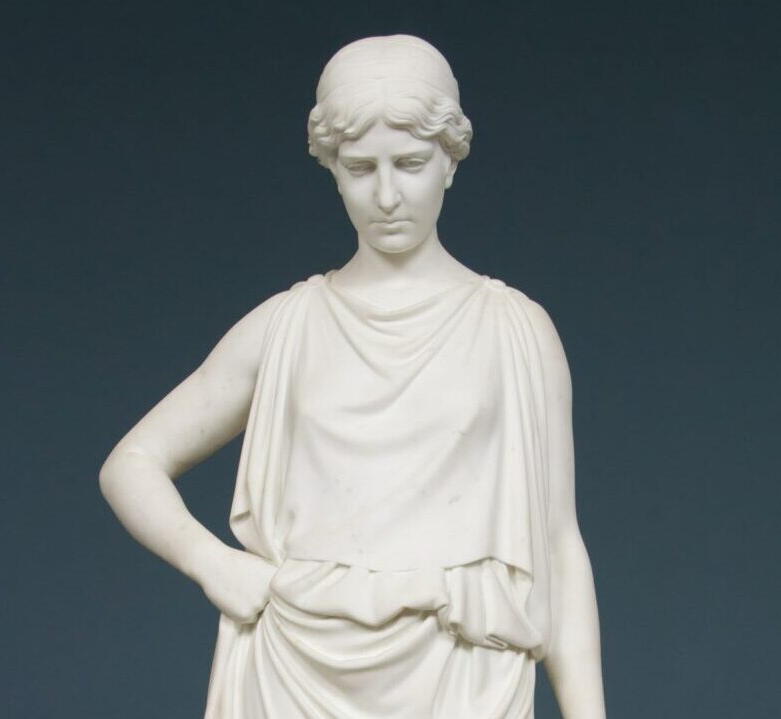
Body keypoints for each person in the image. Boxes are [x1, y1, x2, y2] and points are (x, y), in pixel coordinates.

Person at [99, 34, 607, 718]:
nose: (387, 194)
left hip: (460, 675)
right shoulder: (287, 327)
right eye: (361, 167)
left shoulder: (515, 330)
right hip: (294, 669)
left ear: (450, 161)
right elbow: (131, 464)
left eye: (411, 162)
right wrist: (214, 563)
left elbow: (557, 544)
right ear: (332, 168)